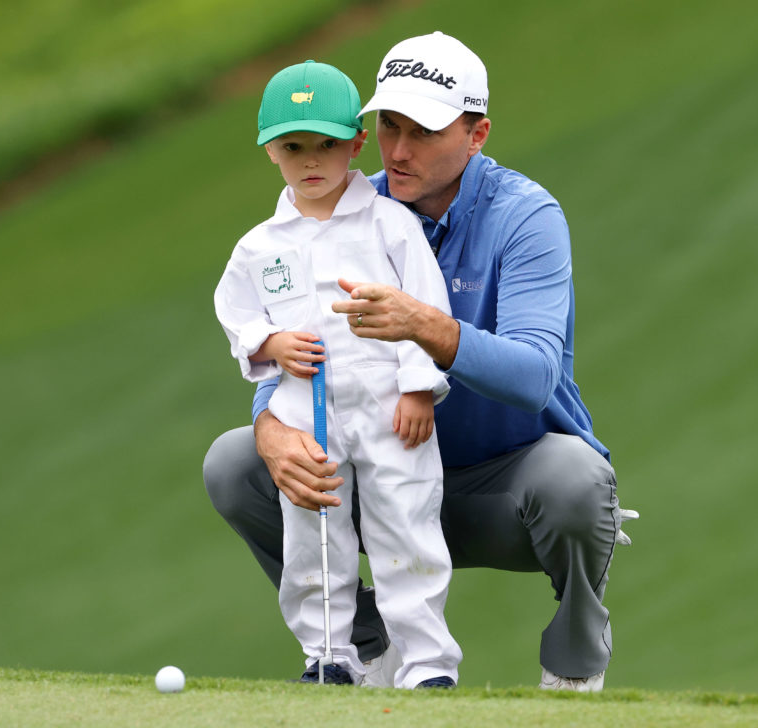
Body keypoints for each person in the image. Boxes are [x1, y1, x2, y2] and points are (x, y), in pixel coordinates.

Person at [204, 32, 636, 692]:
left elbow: (534, 375)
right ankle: (363, 646)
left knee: (577, 480)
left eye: (425, 133)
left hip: (504, 489)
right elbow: (298, 333)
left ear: (477, 133)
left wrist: (424, 327)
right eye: (389, 128)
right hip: (374, 467)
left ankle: (576, 657)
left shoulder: (525, 216)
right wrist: (269, 422)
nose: (400, 152)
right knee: (236, 464)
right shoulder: (343, 207)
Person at [213, 60, 462, 689]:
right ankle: (331, 657)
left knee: (405, 529)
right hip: (306, 414)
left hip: (388, 409)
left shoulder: (389, 223)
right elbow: (236, 312)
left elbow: (426, 305)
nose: (311, 161)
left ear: (356, 143)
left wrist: (417, 388)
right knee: (312, 538)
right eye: (294, 147)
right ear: (271, 151)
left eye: (327, 144)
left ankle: (427, 667)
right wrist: (269, 341)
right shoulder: (259, 246)